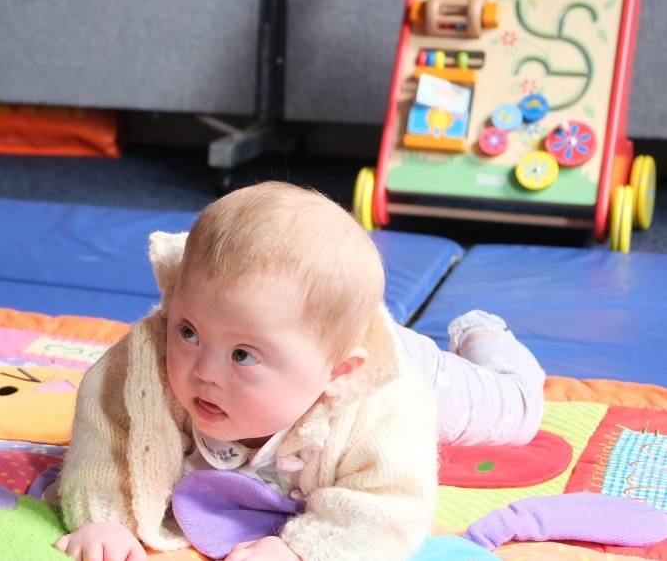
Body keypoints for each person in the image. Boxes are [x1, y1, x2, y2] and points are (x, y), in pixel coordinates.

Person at [52, 182, 546, 561]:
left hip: (414, 367)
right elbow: (108, 436)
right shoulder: (146, 365)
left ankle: (484, 336)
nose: (203, 371)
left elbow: (389, 504)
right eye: (189, 332)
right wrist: (107, 519)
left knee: (518, 413)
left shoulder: (383, 405)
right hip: (320, 339)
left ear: (338, 372)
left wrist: (302, 549)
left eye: (243, 356)